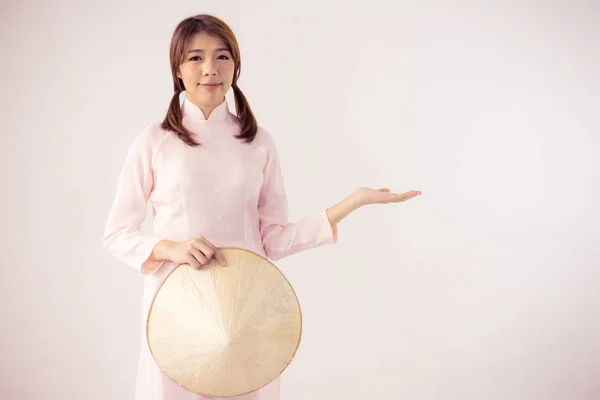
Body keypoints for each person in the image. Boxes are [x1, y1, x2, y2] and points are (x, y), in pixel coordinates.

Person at [102, 13, 421, 400]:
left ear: (236, 66)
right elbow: (117, 234)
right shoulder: (154, 141)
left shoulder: (257, 142)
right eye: (195, 58)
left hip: (248, 309)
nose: (210, 69)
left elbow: (273, 238)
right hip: (175, 308)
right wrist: (174, 249)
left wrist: (351, 203)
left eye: (222, 57)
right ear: (178, 68)